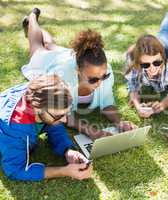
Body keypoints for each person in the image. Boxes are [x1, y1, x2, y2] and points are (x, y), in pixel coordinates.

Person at [21, 8, 136, 140]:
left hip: (71, 57)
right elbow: (62, 114)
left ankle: (35, 26)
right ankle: (32, 18)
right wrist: (90, 130)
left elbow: (107, 103)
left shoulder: (104, 70)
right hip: (54, 62)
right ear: (78, 71)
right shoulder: (62, 77)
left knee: (50, 44)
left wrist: (119, 122)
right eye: (93, 79)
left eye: (104, 77)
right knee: (38, 47)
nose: (100, 83)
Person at [0, 75, 92, 181]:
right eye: (58, 116)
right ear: (37, 109)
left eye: (66, 113)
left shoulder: (40, 94)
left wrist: (67, 150)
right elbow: (15, 171)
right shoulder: (15, 130)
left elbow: (52, 124)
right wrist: (64, 171)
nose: (64, 120)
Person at [125, 0, 168, 118]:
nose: (152, 68)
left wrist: (161, 105)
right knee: (164, 32)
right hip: (160, 44)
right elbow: (132, 85)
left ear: (162, 57)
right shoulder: (132, 57)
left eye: (157, 63)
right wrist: (138, 105)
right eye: (146, 65)